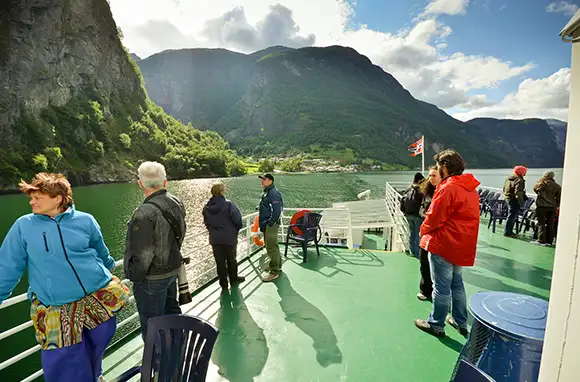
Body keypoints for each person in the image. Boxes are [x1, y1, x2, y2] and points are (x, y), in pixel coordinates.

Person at [0, 173, 129, 382]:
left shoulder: (85, 220)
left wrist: (107, 268)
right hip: (56, 307)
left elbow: (101, 251)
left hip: (96, 299)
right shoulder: (23, 227)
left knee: (97, 346)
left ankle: (96, 374)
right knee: (62, 363)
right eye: (31, 198)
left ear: (58, 198)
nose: (31, 202)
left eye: (37, 197)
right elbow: (6, 268)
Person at [414, 149, 480, 337]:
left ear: (444, 167)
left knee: (441, 286)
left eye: (438, 167)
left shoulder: (448, 187)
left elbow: (434, 217)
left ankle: (436, 324)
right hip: (462, 244)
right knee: (457, 283)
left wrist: (423, 230)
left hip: (444, 244)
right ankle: (460, 321)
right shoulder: (470, 188)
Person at [124, 161, 186, 338]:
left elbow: (142, 255)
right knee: (172, 314)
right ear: (164, 182)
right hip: (172, 270)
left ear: (140, 184)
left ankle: (158, 361)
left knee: (153, 324)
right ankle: (177, 350)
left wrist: (134, 277)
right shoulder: (177, 203)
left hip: (151, 279)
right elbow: (180, 234)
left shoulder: (143, 212)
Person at [203, 183, 246, 290]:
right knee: (231, 260)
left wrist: (213, 232)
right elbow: (237, 220)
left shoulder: (206, 207)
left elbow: (207, 223)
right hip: (229, 238)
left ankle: (223, 284)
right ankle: (233, 279)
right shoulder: (228, 205)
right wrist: (235, 230)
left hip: (215, 239)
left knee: (220, 262)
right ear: (222, 192)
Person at [417, 166, 442, 301]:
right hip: (426, 232)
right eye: (430, 175)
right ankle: (425, 289)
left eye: (434, 175)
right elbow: (421, 208)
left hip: (437, 234)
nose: (431, 178)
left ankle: (438, 293)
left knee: (438, 266)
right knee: (424, 262)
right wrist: (424, 215)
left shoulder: (444, 192)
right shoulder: (428, 191)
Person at [258, 173, 284, 282]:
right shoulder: (268, 192)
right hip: (268, 224)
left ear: (270, 181)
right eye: (262, 179)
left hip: (271, 225)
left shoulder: (273, 193)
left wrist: (270, 223)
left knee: (271, 247)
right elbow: (268, 206)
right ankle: (276, 264)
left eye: (264, 179)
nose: (262, 181)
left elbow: (277, 210)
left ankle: (274, 271)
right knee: (272, 246)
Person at [533, 171, 561, 246]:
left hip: (541, 207)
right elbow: (559, 198)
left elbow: (535, 189)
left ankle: (541, 240)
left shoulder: (540, 184)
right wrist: (556, 205)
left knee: (541, 223)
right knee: (550, 224)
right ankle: (549, 241)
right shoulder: (557, 186)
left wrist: (540, 181)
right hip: (552, 208)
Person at [400, 172, 425, 259]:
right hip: (417, 215)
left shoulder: (408, 188)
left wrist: (403, 211)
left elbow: (402, 198)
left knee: (412, 233)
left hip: (407, 214)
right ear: (420, 180)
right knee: (418, 234)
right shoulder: (420, 190)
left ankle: (412, 251)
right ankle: (418, 253)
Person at [503, 165, 528, 237]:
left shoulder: (508, 178)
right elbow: (518, 193)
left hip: (508, 198)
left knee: (510, 216)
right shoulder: (519, 180)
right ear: (522, 172)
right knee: (512, 216)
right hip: (514, 200)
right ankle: (508, 233)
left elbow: (504, 188)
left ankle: (508, 231)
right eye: (524, 171)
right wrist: (521, 203)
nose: (525, 173)